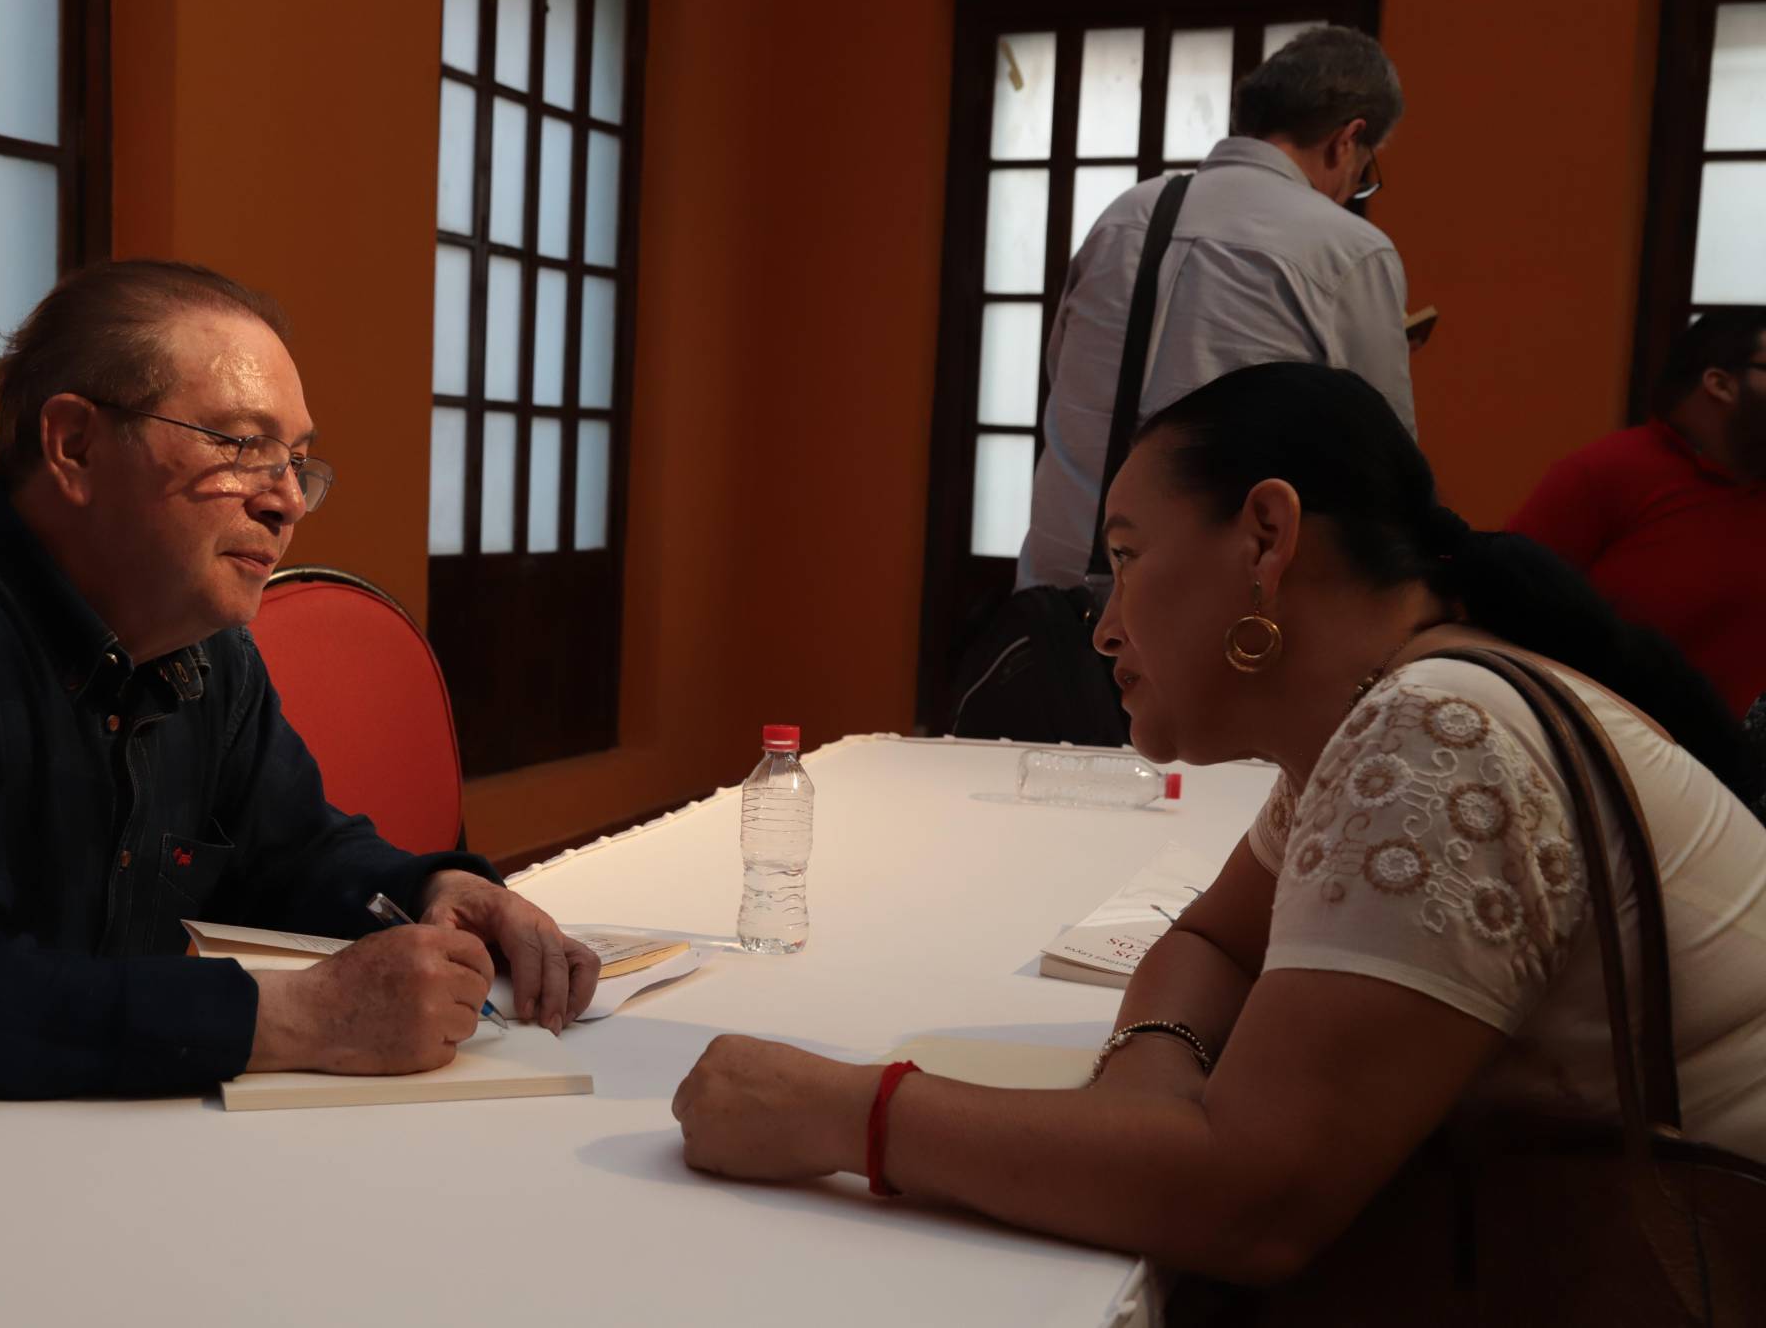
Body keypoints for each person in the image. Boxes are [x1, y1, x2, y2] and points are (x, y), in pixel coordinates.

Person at [673, 363, 1766, 1286]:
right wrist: (1152, 1078)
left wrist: (840, 1111)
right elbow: (1205, 941)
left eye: (1129, 556)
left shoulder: (1435, 734)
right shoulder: (1382, 713)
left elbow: (1250, 1203)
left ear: (1264, 538)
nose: (1102, 627)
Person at [0, 260, 598, 1123]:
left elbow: (295, 849)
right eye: (243, 447)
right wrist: (298, 1016)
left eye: (298, 461)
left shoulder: (207, 652)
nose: (286, 503)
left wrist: (433, 891)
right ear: (76, 445)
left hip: (85, 1142)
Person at [1017, 26, 1418, 594]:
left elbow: (1065, 377)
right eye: (1363, 173)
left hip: (1056, 596)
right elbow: (1389, 469)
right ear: (1347, 140)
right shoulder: (1346, 251)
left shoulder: (1126, 216)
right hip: (1199, 621)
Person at [1507, 307, 1766, 718]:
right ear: (1720, 383)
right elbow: (1505, 605)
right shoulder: (1609, 471)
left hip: (1741, 764)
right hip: (1607, 744)